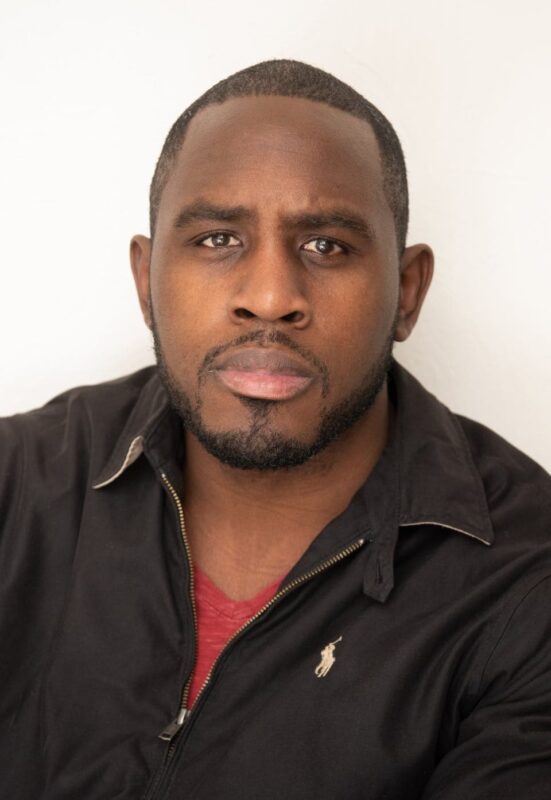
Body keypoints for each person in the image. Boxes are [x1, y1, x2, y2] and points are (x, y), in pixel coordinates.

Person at [0, 59, 550, 800]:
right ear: (144, 281)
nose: (269, 297)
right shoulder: (15, 485)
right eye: (217, 239)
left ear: (406, 293)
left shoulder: (529, 579)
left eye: (326, 245)